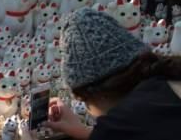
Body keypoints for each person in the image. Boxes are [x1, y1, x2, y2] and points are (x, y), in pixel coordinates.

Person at [25, 8, 181, 140]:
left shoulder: (122, 121)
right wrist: (83, 130)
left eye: (84, 102)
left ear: (98, 94)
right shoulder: (167, 76)